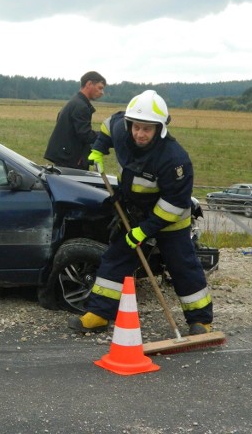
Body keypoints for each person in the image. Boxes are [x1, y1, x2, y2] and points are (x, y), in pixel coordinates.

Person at [69, 90, 213, 336]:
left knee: (183, 267)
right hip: (134, 213)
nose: (140, 134)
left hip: (170, 221)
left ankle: (201, 321)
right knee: (114, 260)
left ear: (160, 128)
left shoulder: (175, 160)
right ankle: (99, 314)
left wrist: (144, 231)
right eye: (136, 127)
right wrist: (98, 148)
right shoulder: (121, 130)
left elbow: (174, 204)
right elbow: (107, 124)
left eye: (147, 128)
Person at [44, 71, 106, 170]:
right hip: (71, 161)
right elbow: (85, 135)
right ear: (89, 84)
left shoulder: (74, 102)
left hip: (64, 158)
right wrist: (106, 136)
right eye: (100, 88)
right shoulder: (81, 107)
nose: (102, 93)